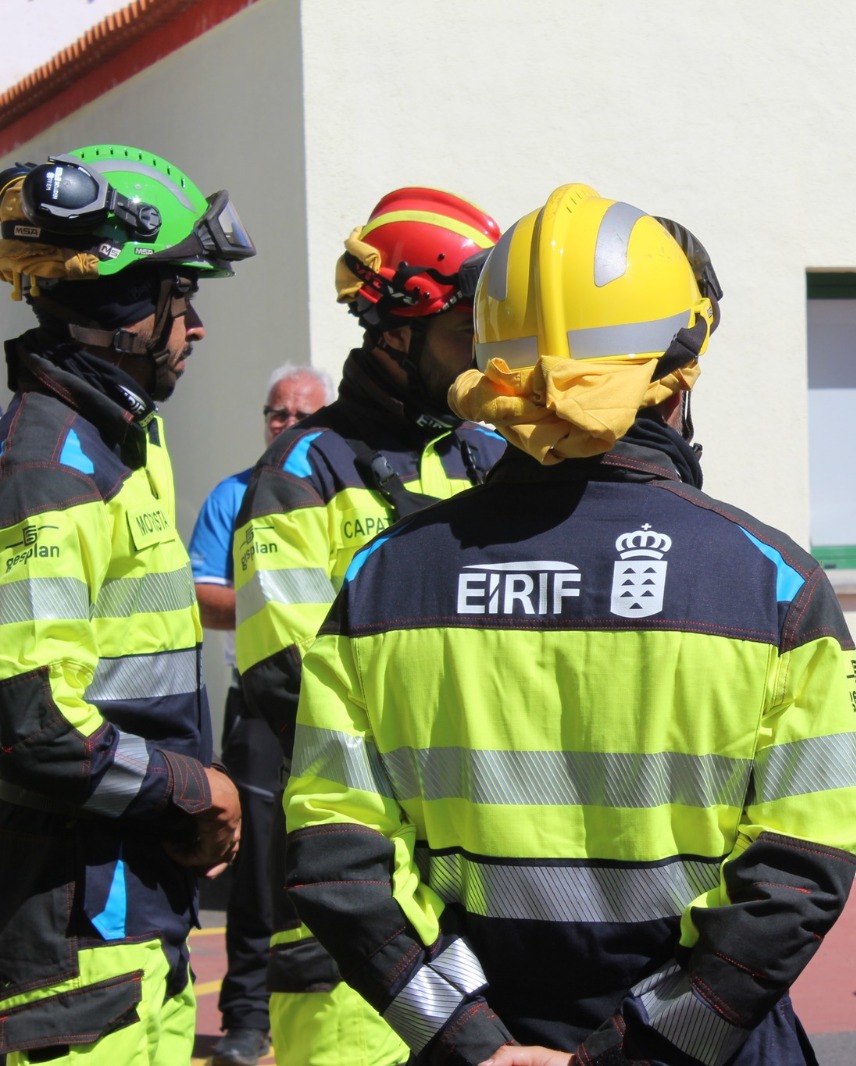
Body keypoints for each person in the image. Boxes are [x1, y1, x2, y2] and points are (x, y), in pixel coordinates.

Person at [281, 183, 856, 1066]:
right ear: (678, 372)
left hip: (478, 1037)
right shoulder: (773, 585)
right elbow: (800, 866)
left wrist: (467, 1039)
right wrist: (631, 1052)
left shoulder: (383, 579)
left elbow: (337, 856)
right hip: (696, 1049)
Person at [231, 188, 506, 1066]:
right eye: (464, 336)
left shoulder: (490, 458)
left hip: (485, 889)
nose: (484, 363)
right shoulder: (301, 472)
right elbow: (287, 680)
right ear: (394, 329)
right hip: (355, 914)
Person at [0, 145, 252, 1063]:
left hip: (139, 933)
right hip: (73, 959)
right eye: (176, 296)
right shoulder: (47, 469)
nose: (193, 326)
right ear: (114, 307)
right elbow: (32, 726)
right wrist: (196, 789)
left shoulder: (119, 445)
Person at [188, 363, 331, 1066]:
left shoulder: (341, 488)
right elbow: (201, 592)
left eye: (303, 413)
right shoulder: (233, 494)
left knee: (337, 854)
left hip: (338, 707)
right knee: (257, 868)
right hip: (259, 706)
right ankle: (246, 1016)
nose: (288, 424)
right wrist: (274, 604)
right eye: (277, 413)